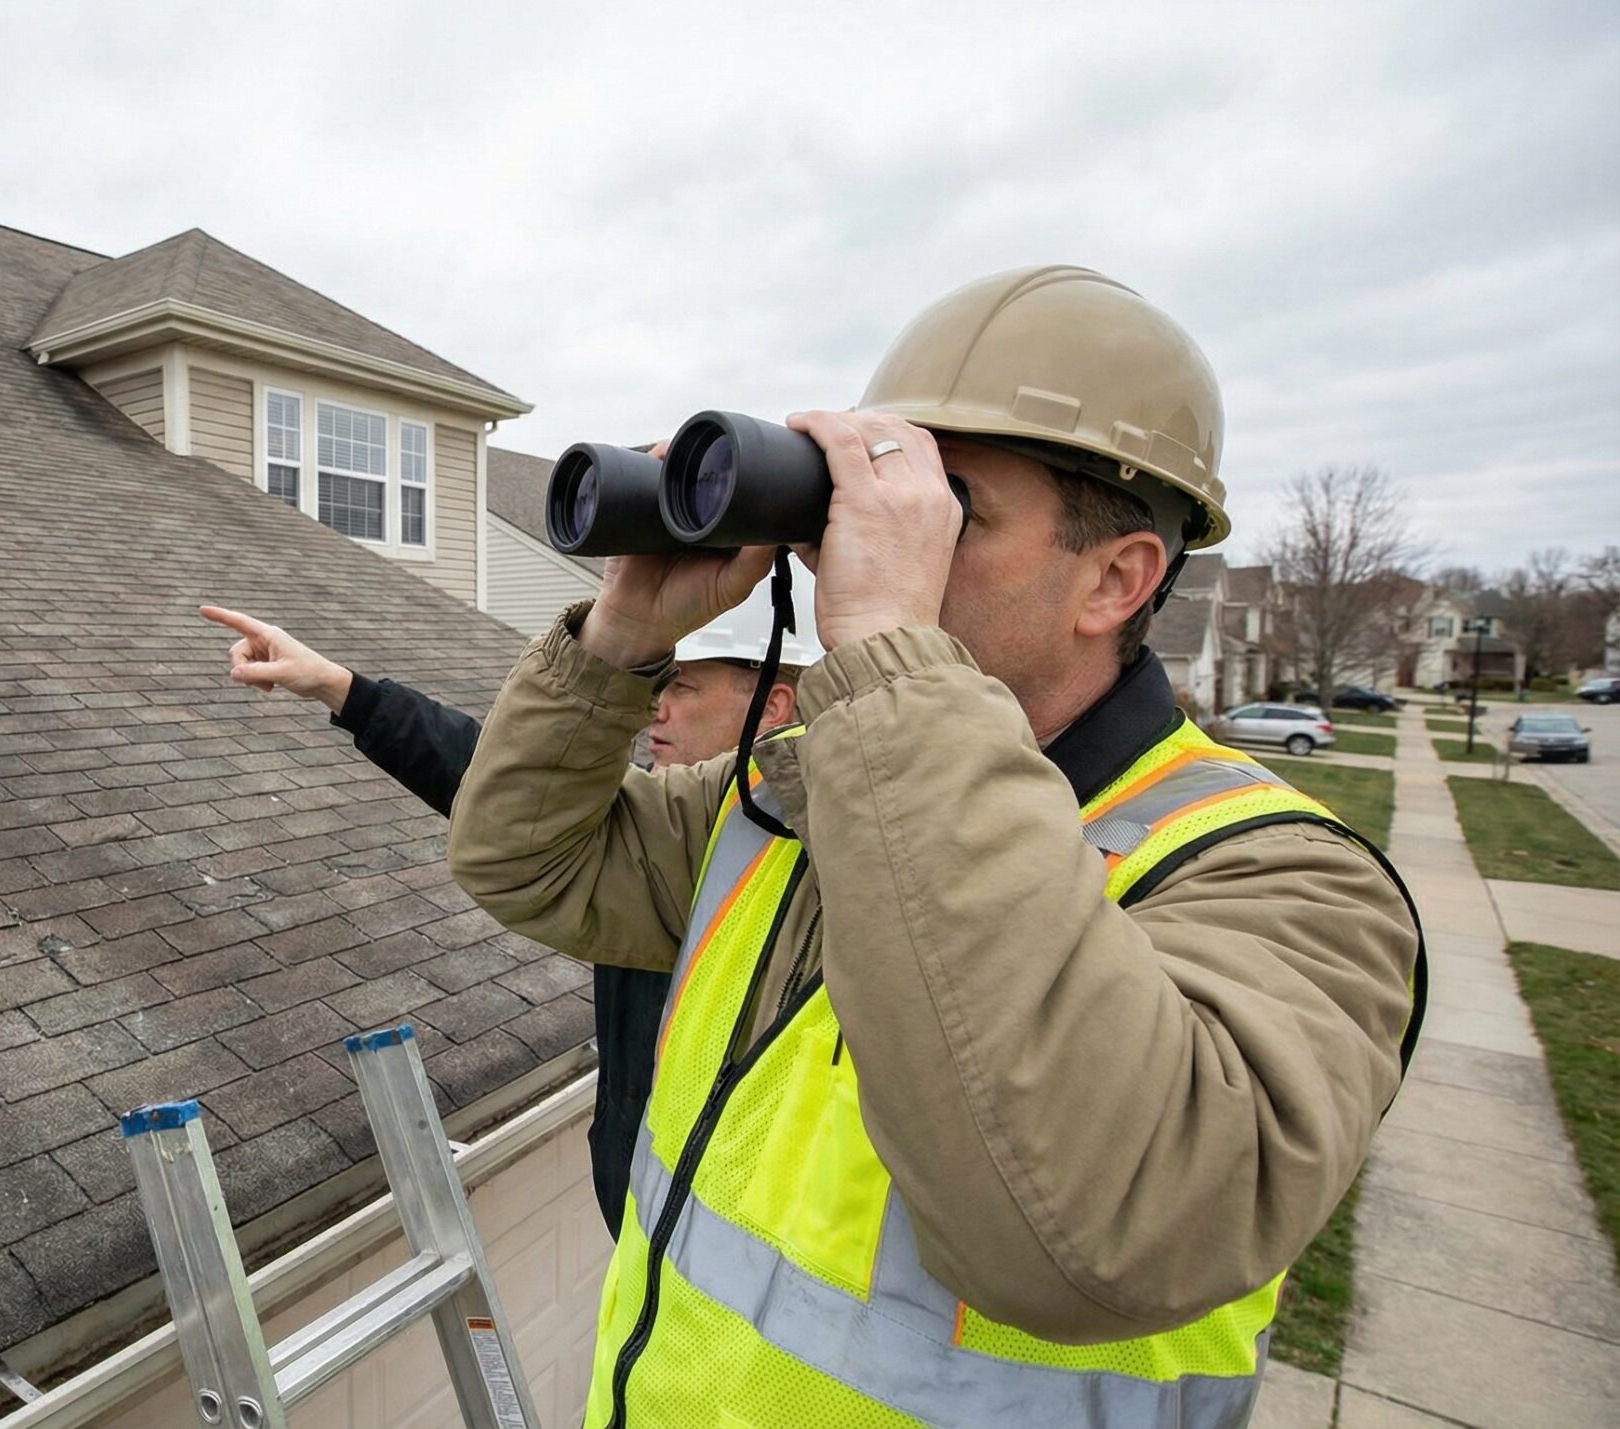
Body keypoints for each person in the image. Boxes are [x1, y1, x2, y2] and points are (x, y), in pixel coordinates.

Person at [444, 265, 1425, 1428]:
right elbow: (523, 860)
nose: (864, 543)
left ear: (1115, 579)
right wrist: (619, 641)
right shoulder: (794, 796)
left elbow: (1091, 1231)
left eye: (946, 507)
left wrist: (889, 666)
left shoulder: (1283, 884)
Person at [198, 580, 821, 1239]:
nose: (652, 711)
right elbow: (501, 783)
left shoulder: (805, 863)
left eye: (682, 688)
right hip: (647, 1245)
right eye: (656, 686)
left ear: (773, 702)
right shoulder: (666, 840)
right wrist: (339, 687)